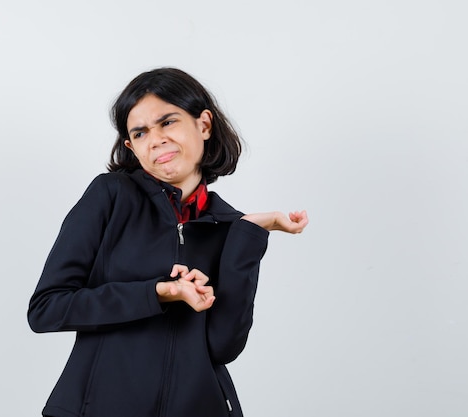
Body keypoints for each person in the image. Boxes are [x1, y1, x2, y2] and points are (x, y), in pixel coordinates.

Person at [28, 67, 308, 417]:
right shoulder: (110, 196)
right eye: (141, 132)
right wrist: (159, 292)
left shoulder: (229, 227)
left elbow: (223, 347)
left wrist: (248, 234)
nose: (156, 138)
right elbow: (46, 309)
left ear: (204, 125)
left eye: (168, 122)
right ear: (132, 147)